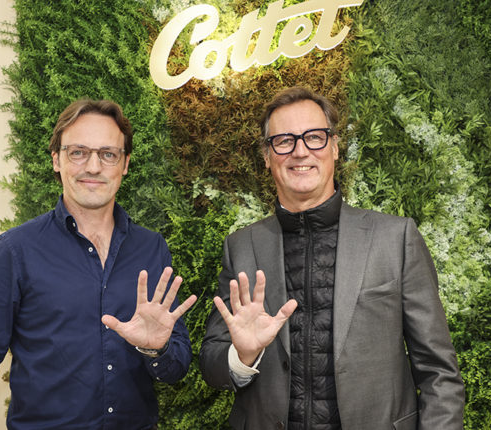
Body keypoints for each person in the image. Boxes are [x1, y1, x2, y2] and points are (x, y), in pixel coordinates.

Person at [199, 86, 465, 430]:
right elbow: (212, 364)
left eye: (314, 137)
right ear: (267, 156)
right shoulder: (241, 247)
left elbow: (438, 372)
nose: (300, 151)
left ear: (335, 147)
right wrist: (243, 356)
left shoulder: (395, 238)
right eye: (284, 140)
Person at [0, 98, 197, 429]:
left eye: (108, 154)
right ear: (56, 159)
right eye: (78, 152)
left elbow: (176, 368)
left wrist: (156, 351)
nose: (93, 167)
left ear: (125, 164)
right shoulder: (14, 251)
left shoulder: (151, 248)